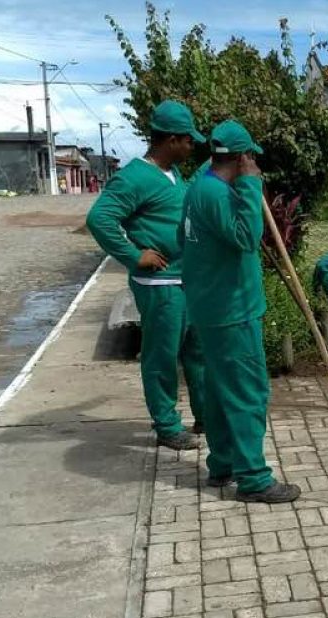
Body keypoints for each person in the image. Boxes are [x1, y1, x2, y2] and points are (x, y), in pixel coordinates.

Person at [180, 119, 300, 504]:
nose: (255, 165)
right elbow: (247, 237)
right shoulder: (217, 193)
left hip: (210, 307)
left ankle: (223, 463)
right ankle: (253, 478)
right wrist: (250, 185)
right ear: (243, 158)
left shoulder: (200, 188)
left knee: (219, 391)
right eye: (251, 159)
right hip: (232, 311)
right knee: (248, 392)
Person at [86, 100, 207, 451]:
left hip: (186, 281)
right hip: (160, 286)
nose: (191, 146)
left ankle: (205, 416)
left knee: (198, 353)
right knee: (162, 356)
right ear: (171, 139)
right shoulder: (133, 178)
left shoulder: (173, 173)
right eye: (188, 140)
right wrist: (134, 256)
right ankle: (167, 426)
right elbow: (99, 219)